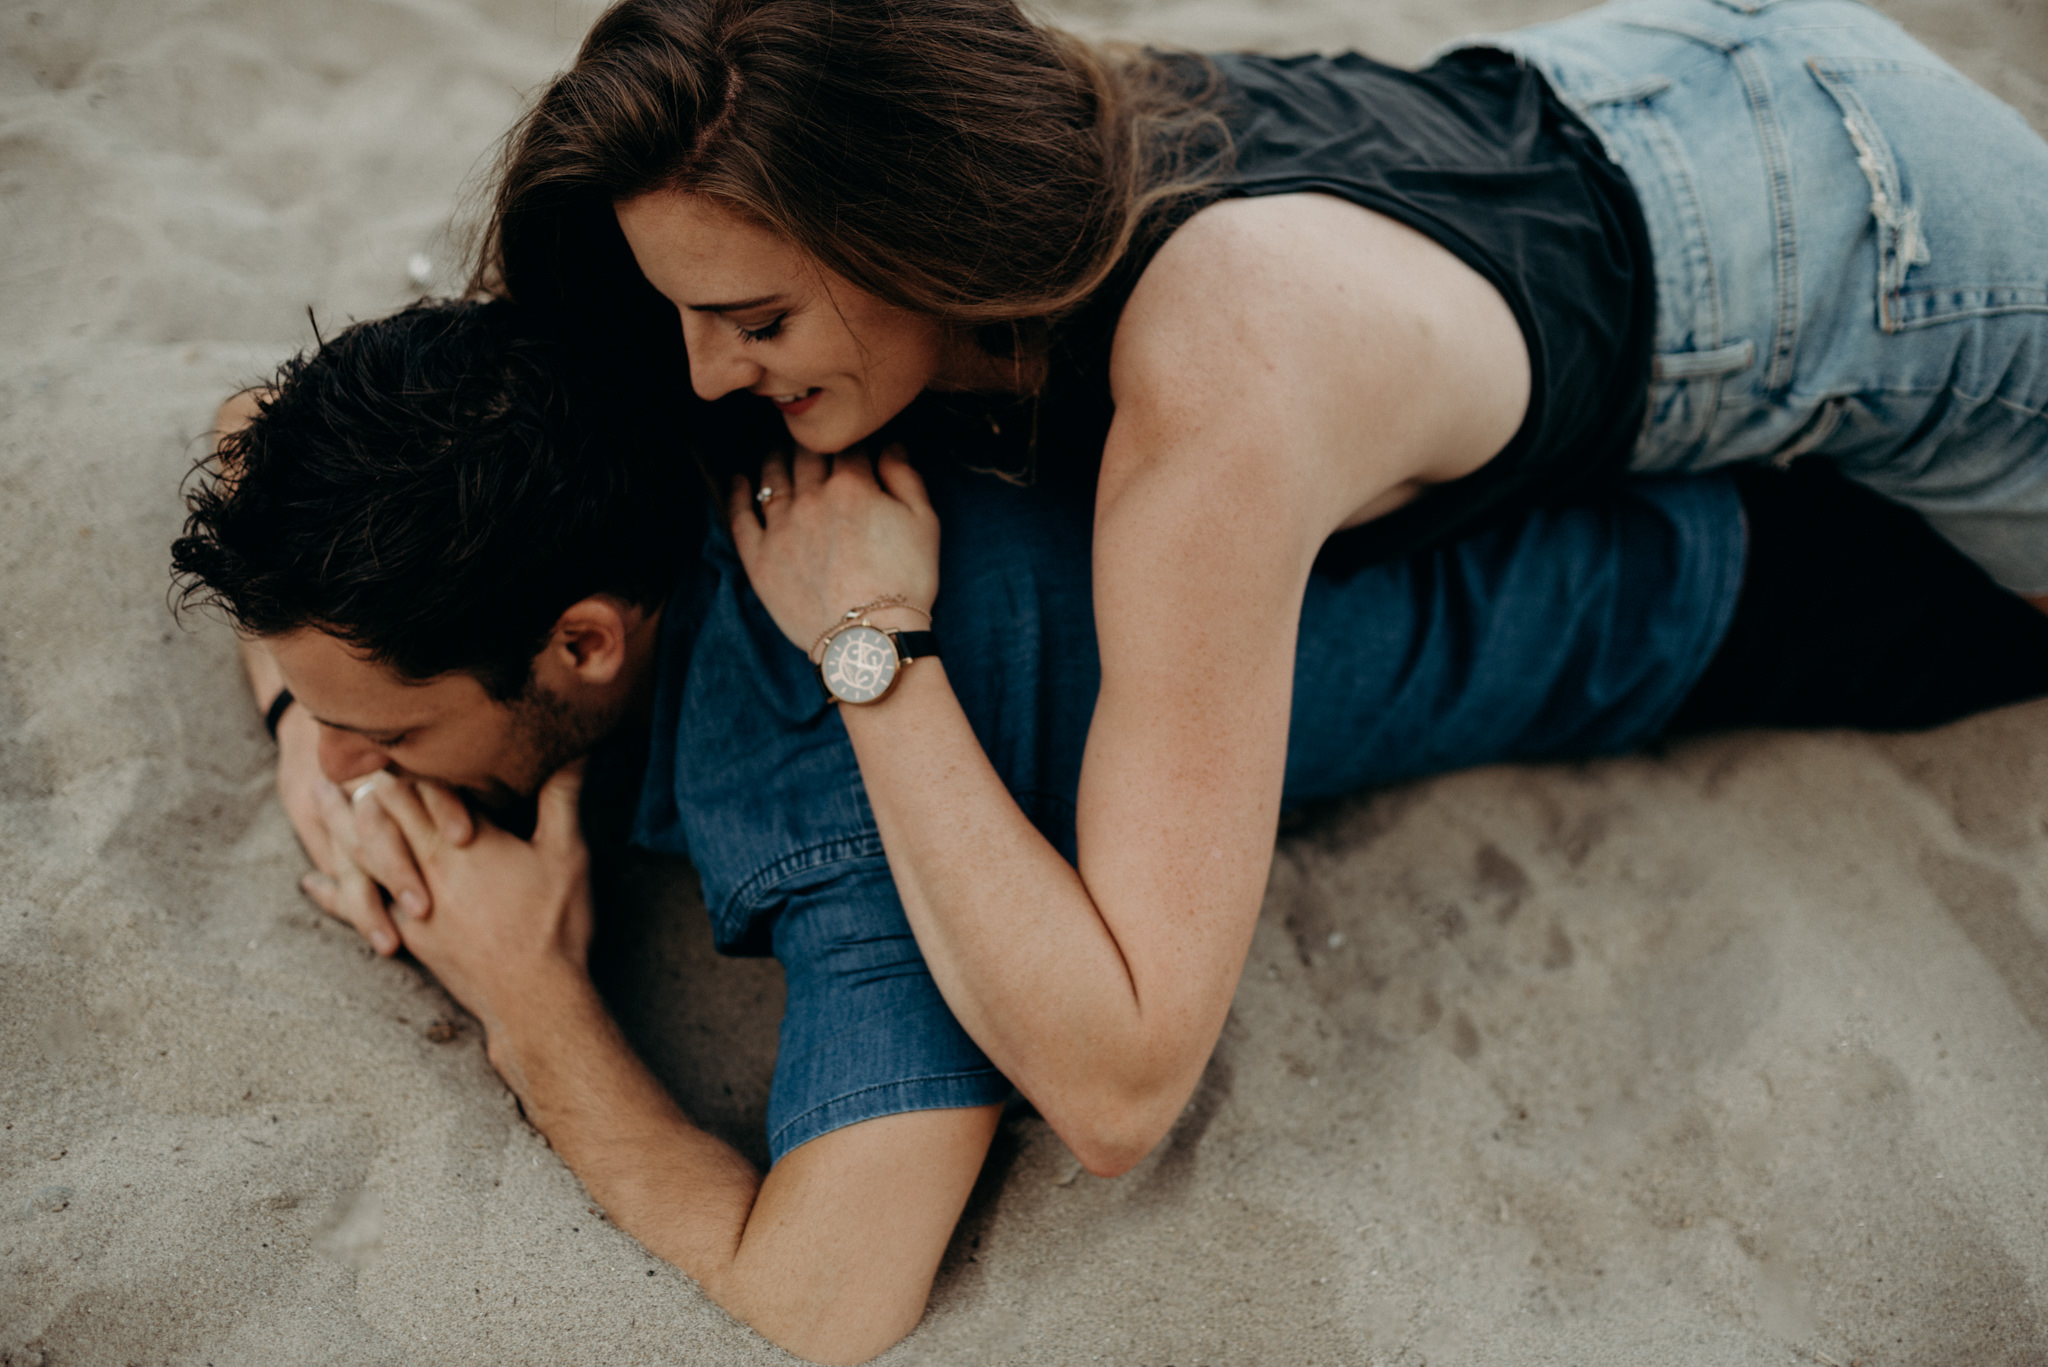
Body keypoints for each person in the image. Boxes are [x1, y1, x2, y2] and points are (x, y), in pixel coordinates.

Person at [174, 299, 2048, 1363]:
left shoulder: (815, 783)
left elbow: (826, 1297)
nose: (348, 772)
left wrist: (531, 1003)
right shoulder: (654, 363)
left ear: (583, 643)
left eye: (379, 725)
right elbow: (273, 419)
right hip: (1571, 346)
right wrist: (300, 708)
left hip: (1742, 570)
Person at [477, 0, 2048, 1178]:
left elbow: (1123, 1083)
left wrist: (866, 647)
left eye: (751, 320)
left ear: (910, 236)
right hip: (1671, 88)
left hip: (1909, 272)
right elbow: (285, 423)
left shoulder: (1212, 379)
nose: (702, 371)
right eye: (679, 310)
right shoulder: (1018, 143)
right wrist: (329, 708)